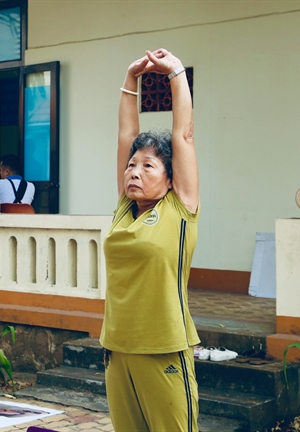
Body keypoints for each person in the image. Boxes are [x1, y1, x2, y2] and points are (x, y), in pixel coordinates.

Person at [99, 49, 200, 432]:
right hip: (118, 349)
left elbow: (184, 135)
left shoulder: (180, 208)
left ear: (171, 178)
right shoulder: (125, 208)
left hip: (163, 349)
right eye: (131, 164)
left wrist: (174, 73)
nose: (134, 172)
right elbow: (127, 136)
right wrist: (130, 80)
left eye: (148, 166)